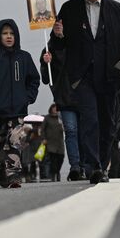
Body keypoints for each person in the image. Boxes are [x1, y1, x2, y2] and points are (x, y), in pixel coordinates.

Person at [48, 0, 120, 184]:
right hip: (82, 77)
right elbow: (57, 46)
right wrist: (58, 36)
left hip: (110, 75)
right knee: (90, 120)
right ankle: (94, 167)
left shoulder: (117, 10)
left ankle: (102, 162)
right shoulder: (69, 9)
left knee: (108, 123)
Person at [0, 19, 40, 188]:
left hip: (18, 111)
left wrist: (27, 97)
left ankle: (14, 175)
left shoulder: (24, 57)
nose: (8, 37)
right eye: (5, 33)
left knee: (15, 141)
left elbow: (34, 80)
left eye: (11, 33)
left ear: (16, 35)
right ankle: (1, 172)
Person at [40, 45, 83, 181]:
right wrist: (46, 63)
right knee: (70, 131)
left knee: (85, 132)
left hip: (83, 95)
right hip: (64, 97)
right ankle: (75, 166)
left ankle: (87, 164)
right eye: (57, 23)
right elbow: (46, 79)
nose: (60, 25)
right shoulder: (49, 48)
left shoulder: (79, 41)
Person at [41, 103, 66, 181]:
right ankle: (53, 174)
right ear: (51, 109)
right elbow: (42, 129)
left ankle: (57, 171)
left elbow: (65, 128)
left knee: (60, 158)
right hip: (50, 142)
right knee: (52, 159)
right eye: (54, 108)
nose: (55, 110)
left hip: (59, 142)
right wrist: (44, 138)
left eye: (56, 108)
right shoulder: (47, 118)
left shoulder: (61, 118)